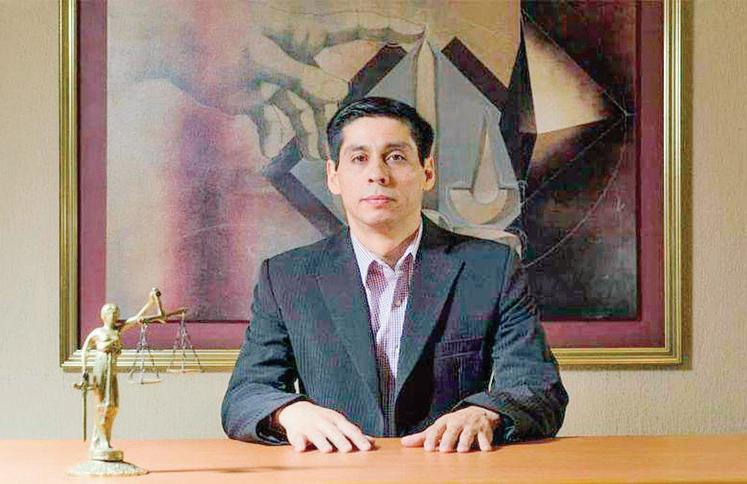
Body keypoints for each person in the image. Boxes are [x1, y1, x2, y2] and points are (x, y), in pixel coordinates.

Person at [221, 97, 568, 453]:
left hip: (450, 470)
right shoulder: (287, 277)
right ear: (333, 176)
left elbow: (539, 388)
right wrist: (289, 412)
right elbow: (245, 396)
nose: (378, 174)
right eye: (359, 158)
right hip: (335, 471)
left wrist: (487, 413)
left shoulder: (491, 268)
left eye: (396, 157)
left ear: (428, 171)